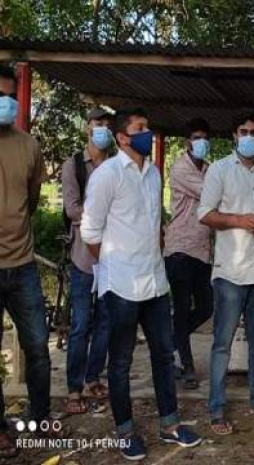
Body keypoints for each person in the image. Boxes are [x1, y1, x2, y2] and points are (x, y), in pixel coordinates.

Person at [81, 106, 201, 460]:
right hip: (120, 285)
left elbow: (152, 227)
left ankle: (170, 424)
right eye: (140, 128)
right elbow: (90, 231)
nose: (148, 133)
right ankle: (125, 432)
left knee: (164, 356)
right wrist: (112, 264)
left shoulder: (153, 174)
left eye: (148, 127)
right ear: (122, 137)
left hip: (155, 282)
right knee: (120, 362)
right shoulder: (106, 175)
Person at [199, 110, 254, 435]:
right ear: (234, 136)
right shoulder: (219, 170)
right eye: (244, 131)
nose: (249, 137)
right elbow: (204, 213)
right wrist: (237, 220)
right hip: (230, 272)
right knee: (222, 343)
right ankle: (216, 409)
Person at [0, 65, 52, 459]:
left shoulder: (28, 146)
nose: (7, 103)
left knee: (37, 347)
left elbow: (32, 200)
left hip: (22, 264)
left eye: (10, 96)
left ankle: (41, 419)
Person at [62, 107, 113, 415]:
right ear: (87, 128)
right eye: (98, 124)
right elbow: (72, 208)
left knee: (105, 324)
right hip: (83, 258)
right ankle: (73, 388)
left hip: (111, 259)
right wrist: (105, 217)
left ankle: (93, 377)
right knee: (81, 325)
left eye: (107, 125)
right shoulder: (74, 166)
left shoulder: (116, 165)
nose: (103, 130)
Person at [164, 117, 214, 390]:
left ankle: (170, 342)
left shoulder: (209, 168)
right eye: (196, 137)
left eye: (205, 137)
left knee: (207, 306)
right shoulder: (180, 168)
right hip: (180, 248)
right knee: (182, 308)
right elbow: (211, 195)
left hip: (202, 251)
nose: (201, 142)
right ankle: (187, 365)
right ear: (187, 142)